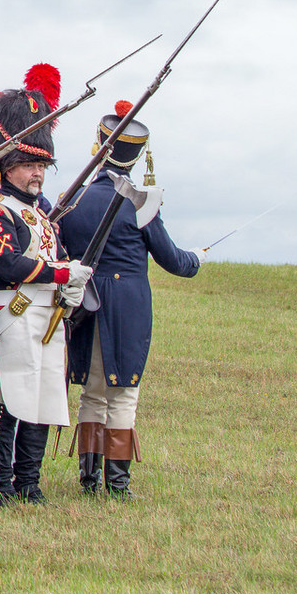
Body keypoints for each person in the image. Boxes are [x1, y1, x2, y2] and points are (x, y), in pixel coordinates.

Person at [58, 102, 200, 499]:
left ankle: (89, 481)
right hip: (125, 306)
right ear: (137, 155)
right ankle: (117, 485)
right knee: (123, 394)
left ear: (101, 145)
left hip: (86, 302)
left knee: (93, 392)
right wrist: (197, 260)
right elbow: (173, 260)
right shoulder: (141, 201)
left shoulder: (74, 196)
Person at [0, 65, 89, 505]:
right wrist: (62, 273)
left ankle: (29, 482)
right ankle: (1, 485)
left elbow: (53, 263)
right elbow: (11, 264)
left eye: (41, 165)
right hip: (11, 314)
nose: (36, 173)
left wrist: (69, 288)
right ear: (7, 167)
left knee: (45, 399)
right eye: (27, 165)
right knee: (13, 398)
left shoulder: (43, 216)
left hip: (47, 318)